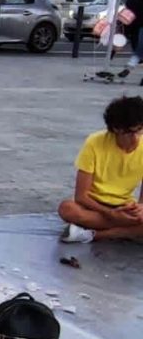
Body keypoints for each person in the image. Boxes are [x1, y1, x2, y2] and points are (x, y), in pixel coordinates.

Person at [58, 96, 143, 243]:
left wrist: (140, 208)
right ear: (116, 129)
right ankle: (126, 231)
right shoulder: (95, 142)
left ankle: (92, 234)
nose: (135, 138)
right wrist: (111, 214)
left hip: (125, 206)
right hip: (94, 205)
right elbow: (81, 195)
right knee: (67, 208)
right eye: (129, 132)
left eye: (140, 130)